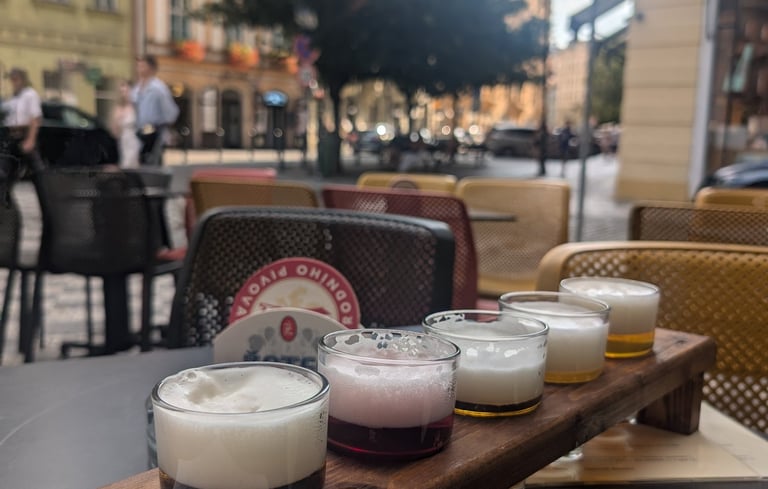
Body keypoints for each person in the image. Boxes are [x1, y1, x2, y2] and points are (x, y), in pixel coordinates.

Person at [132, 55, 179, 166]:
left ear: (150, 68)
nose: (139, 68)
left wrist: (161, 126)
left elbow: (171, 112)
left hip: (153, 131)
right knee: (139, 162)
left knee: (152, 162)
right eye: (138, 65)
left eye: (142, 65)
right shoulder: (136, 88)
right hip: (138, 131)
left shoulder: (159, 89)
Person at [1, 67, 44, 184]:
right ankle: (6, 200)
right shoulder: (13, 98)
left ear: (23, 80)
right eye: (12, 79)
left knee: (37, 171)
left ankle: (49, 196)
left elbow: (35, 118)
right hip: (12, 137)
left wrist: (30, 140)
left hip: (25, 134)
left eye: (16, 79)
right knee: (6, 171)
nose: (13, 82)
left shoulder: (30, 94)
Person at [110, 80, 141, 168]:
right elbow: (114, 130)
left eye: (126, 91)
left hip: (135, 138)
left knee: (133, 163)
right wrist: (118, 120)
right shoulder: (118, 108)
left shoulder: (135, 106)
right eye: (121, 91)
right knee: (125, 164)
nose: (124, 94)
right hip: (124, 139)